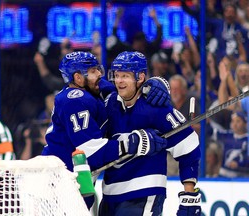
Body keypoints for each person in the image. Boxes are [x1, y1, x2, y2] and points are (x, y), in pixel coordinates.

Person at [41, 51, 171, 210]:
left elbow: (121, 87)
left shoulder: (91, 89)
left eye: (98, 69)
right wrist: (133, 143)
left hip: (76, 182)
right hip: (58, 184)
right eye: (93, 71)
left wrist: (154, 83)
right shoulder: (73, 100)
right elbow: (90, 151)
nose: (99, 75)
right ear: (78, 78)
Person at [100, 51, 201, 216]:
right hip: (110, 195)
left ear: (140, 77)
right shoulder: (110, 103)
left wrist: (190, 194)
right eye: (116, 75)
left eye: (125, 75)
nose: (119, 81)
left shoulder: (156, 107)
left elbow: (189, 146)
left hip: (143, 193)